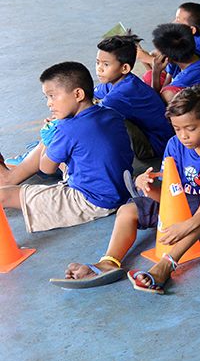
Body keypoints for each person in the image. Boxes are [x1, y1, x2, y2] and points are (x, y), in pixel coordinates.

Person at [54, 86, 200, 293]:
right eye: (177, 128)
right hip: (188, 201)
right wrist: (147, 184)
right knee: (128, 209)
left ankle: (166, 265)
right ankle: (108, 263)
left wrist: (188, 224)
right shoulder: (174, 144)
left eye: (190, 128)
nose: (183, 136)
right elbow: (169, 193)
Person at [0, 62, 132, 233]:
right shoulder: (110, 113)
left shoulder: (68, 129)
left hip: (92, 200)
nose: (49, 103)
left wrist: (50, 140)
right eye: (47, 98)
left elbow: (46, 168)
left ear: (78, 94)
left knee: (4, 195)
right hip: (122, 188)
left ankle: (10, 178)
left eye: (52, 96)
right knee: (59, 142)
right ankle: (13, 174)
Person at [95, 35, 173, 163]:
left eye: (106, 64)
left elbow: (90, 117)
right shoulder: (118, 80)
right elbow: (92, 94)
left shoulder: (122, 93)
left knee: (104, 120)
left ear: (125, 68)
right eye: (98, 62)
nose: (99, 68)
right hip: (153, 135)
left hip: (155, 146)